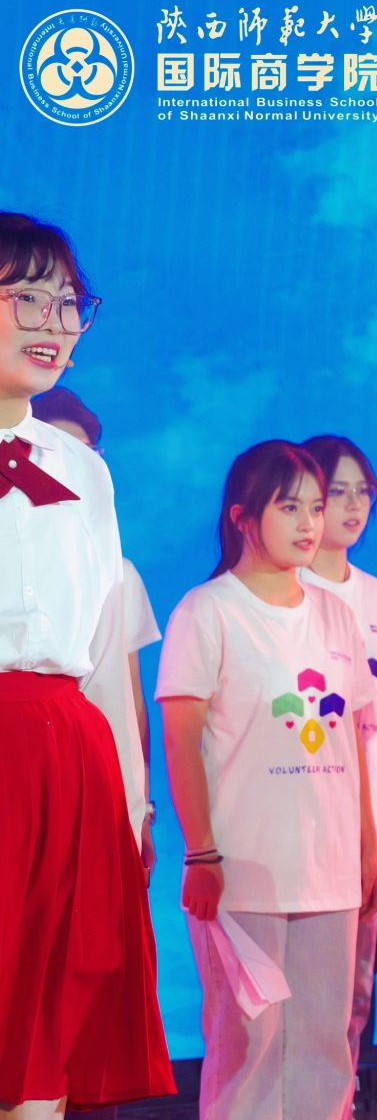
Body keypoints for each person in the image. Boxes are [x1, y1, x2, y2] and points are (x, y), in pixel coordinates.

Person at [0, 212, 174, 1118]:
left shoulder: (83, 470)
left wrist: (130, 800)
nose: (54, 324)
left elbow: (105, 653)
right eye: (27, 298)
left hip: (66, 758)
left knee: (51, 1018)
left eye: (69, 304)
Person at [157, 440, 377, 1120]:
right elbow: (182, 741)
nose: (310, 523)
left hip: (329, 871)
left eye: (315, 507)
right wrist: (201, 852)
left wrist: (368, 845)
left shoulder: (338, 614)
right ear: (242, 517)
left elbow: (354, 738)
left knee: (324, 1048)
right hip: (244, 872)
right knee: (248, 1045)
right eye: (290, 508)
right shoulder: (208, 611)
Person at [299, 433, 377, 1066]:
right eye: (334, 491)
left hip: (365, 829)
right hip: (301, 818)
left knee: (352, 996)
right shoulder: (284, 589)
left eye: (361, 491)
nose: (351, 505)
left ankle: (341, 1102)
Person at [35, 388, 163, 876]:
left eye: (88, 456)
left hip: (95, 778)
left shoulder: (117, 573)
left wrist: (140, 808)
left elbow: (128, 707)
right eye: (60, 453)